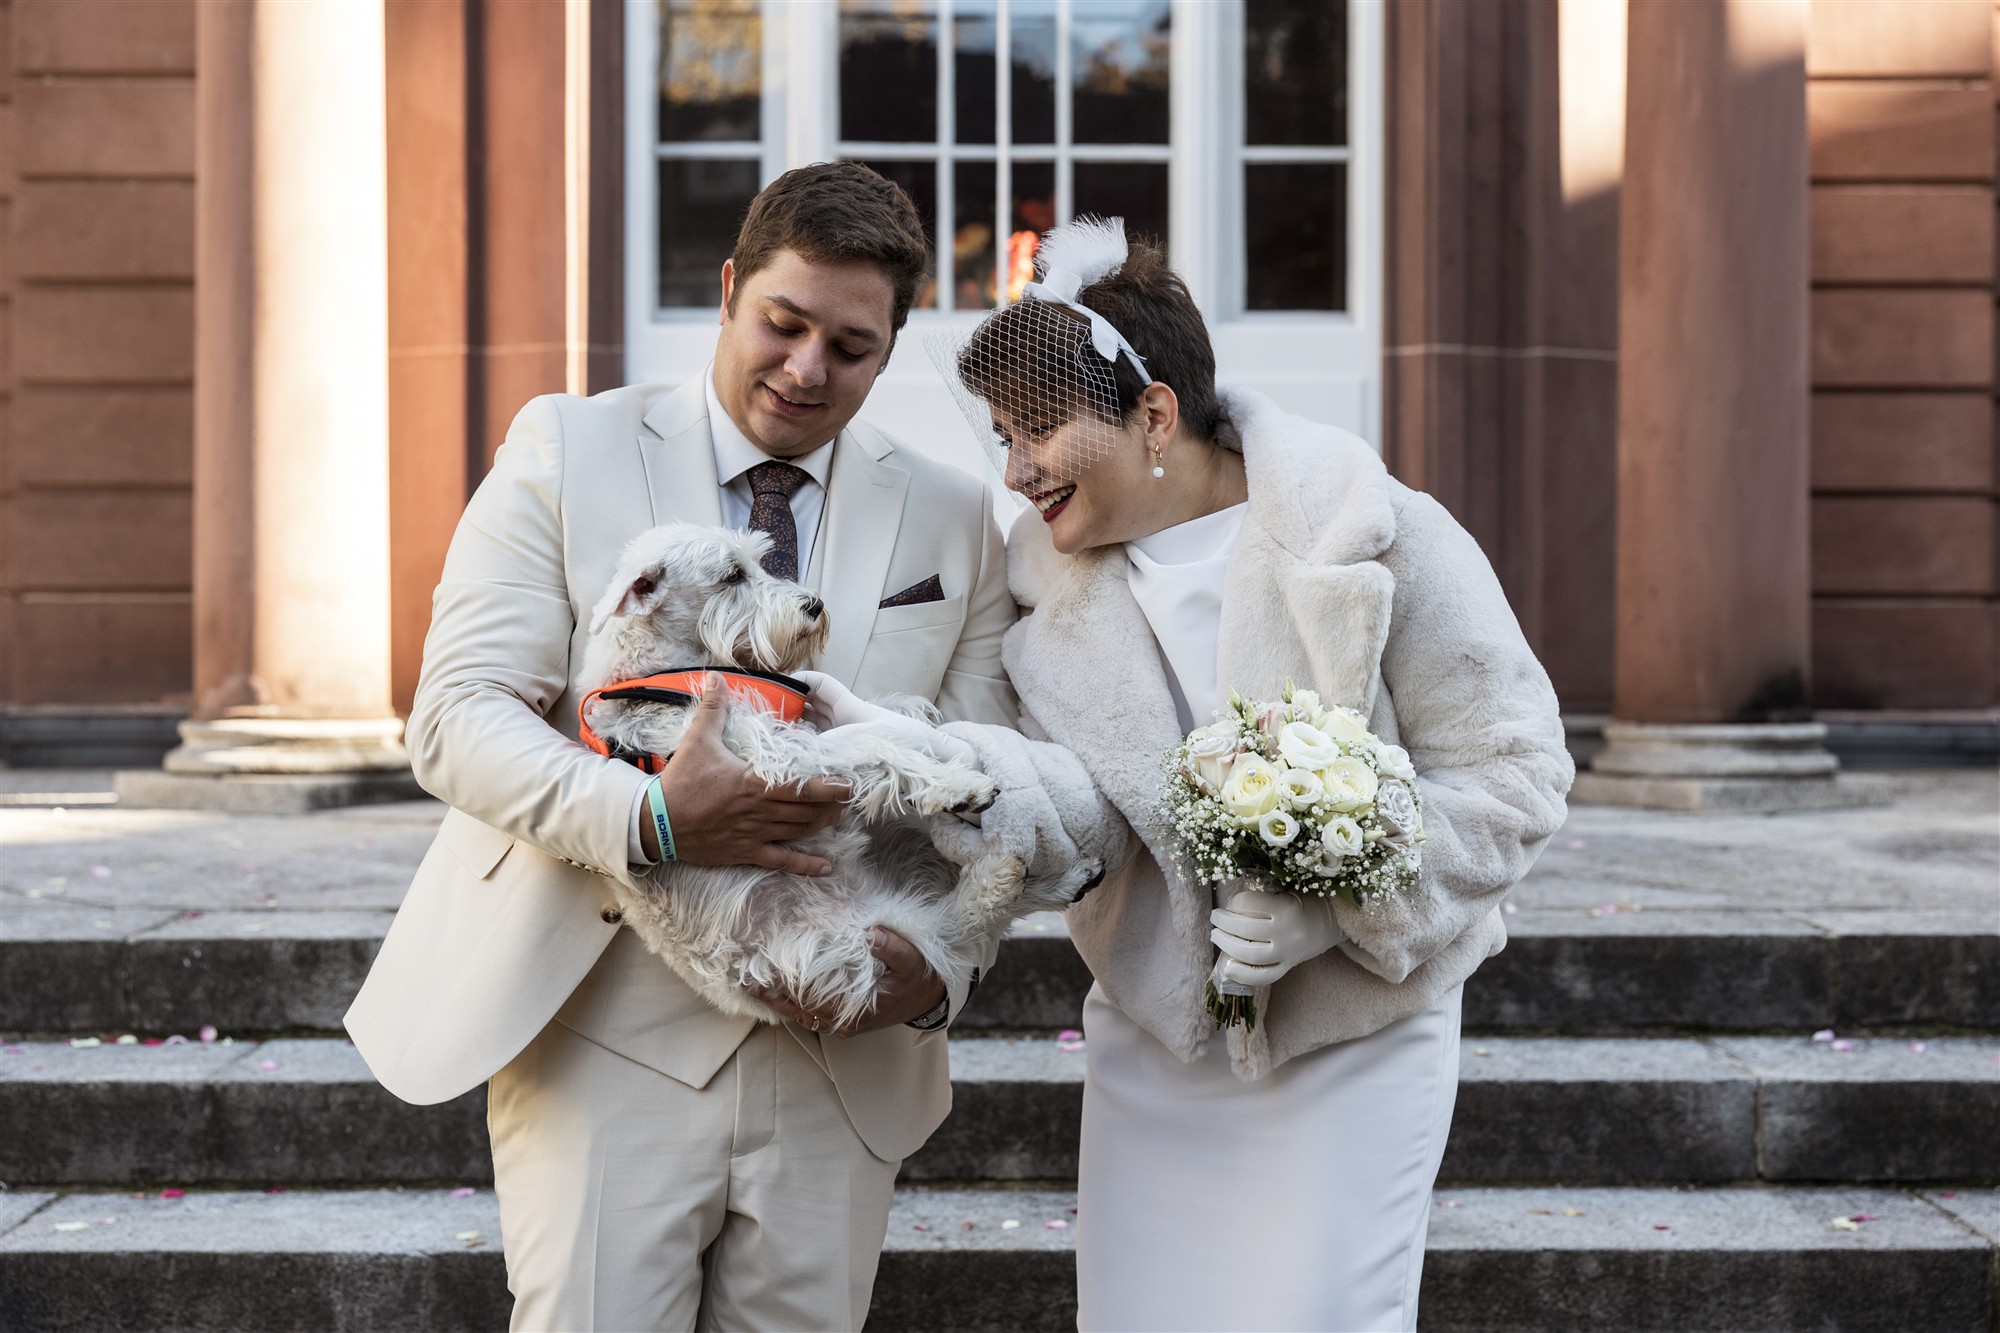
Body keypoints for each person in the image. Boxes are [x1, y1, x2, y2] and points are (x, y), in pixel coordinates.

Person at [345, 163, 1019, 1332]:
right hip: (600, 1029)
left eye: (851, 347)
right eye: (784, 323)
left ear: (892, 347)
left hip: (843, 1055)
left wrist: (945, 969)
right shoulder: (566, 447)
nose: (807, 369)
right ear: (726, 289)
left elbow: (985, 777)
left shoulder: (955, 515)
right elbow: (457, 714)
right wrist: (650, 818)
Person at [939, 218, 1574, 1332]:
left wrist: (1340, 911)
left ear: (1152, 413)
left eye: (1039, 429)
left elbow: (1513, 768)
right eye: (1000, 434)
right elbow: (1048, 800)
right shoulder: (1035, 592)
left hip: (1354, 1038)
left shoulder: (1372, 534)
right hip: (1154, 1043)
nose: (1013, 469)